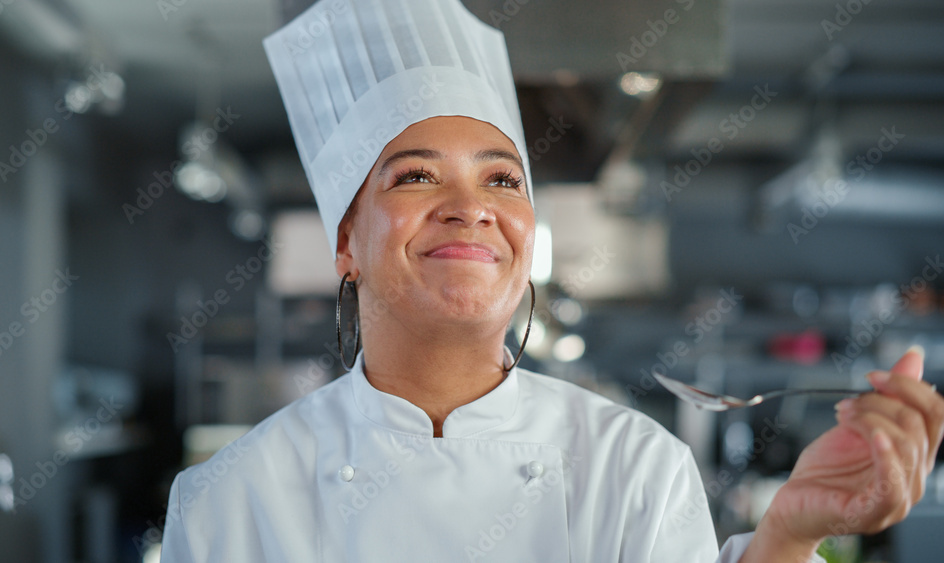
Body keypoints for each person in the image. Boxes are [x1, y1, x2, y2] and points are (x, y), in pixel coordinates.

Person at [160, 0, 944, 561]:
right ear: (346, 243)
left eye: (503, 180)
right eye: (416, 176)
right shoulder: (230, 499)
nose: (471, 209)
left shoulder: (635, 464)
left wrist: (790, 532)